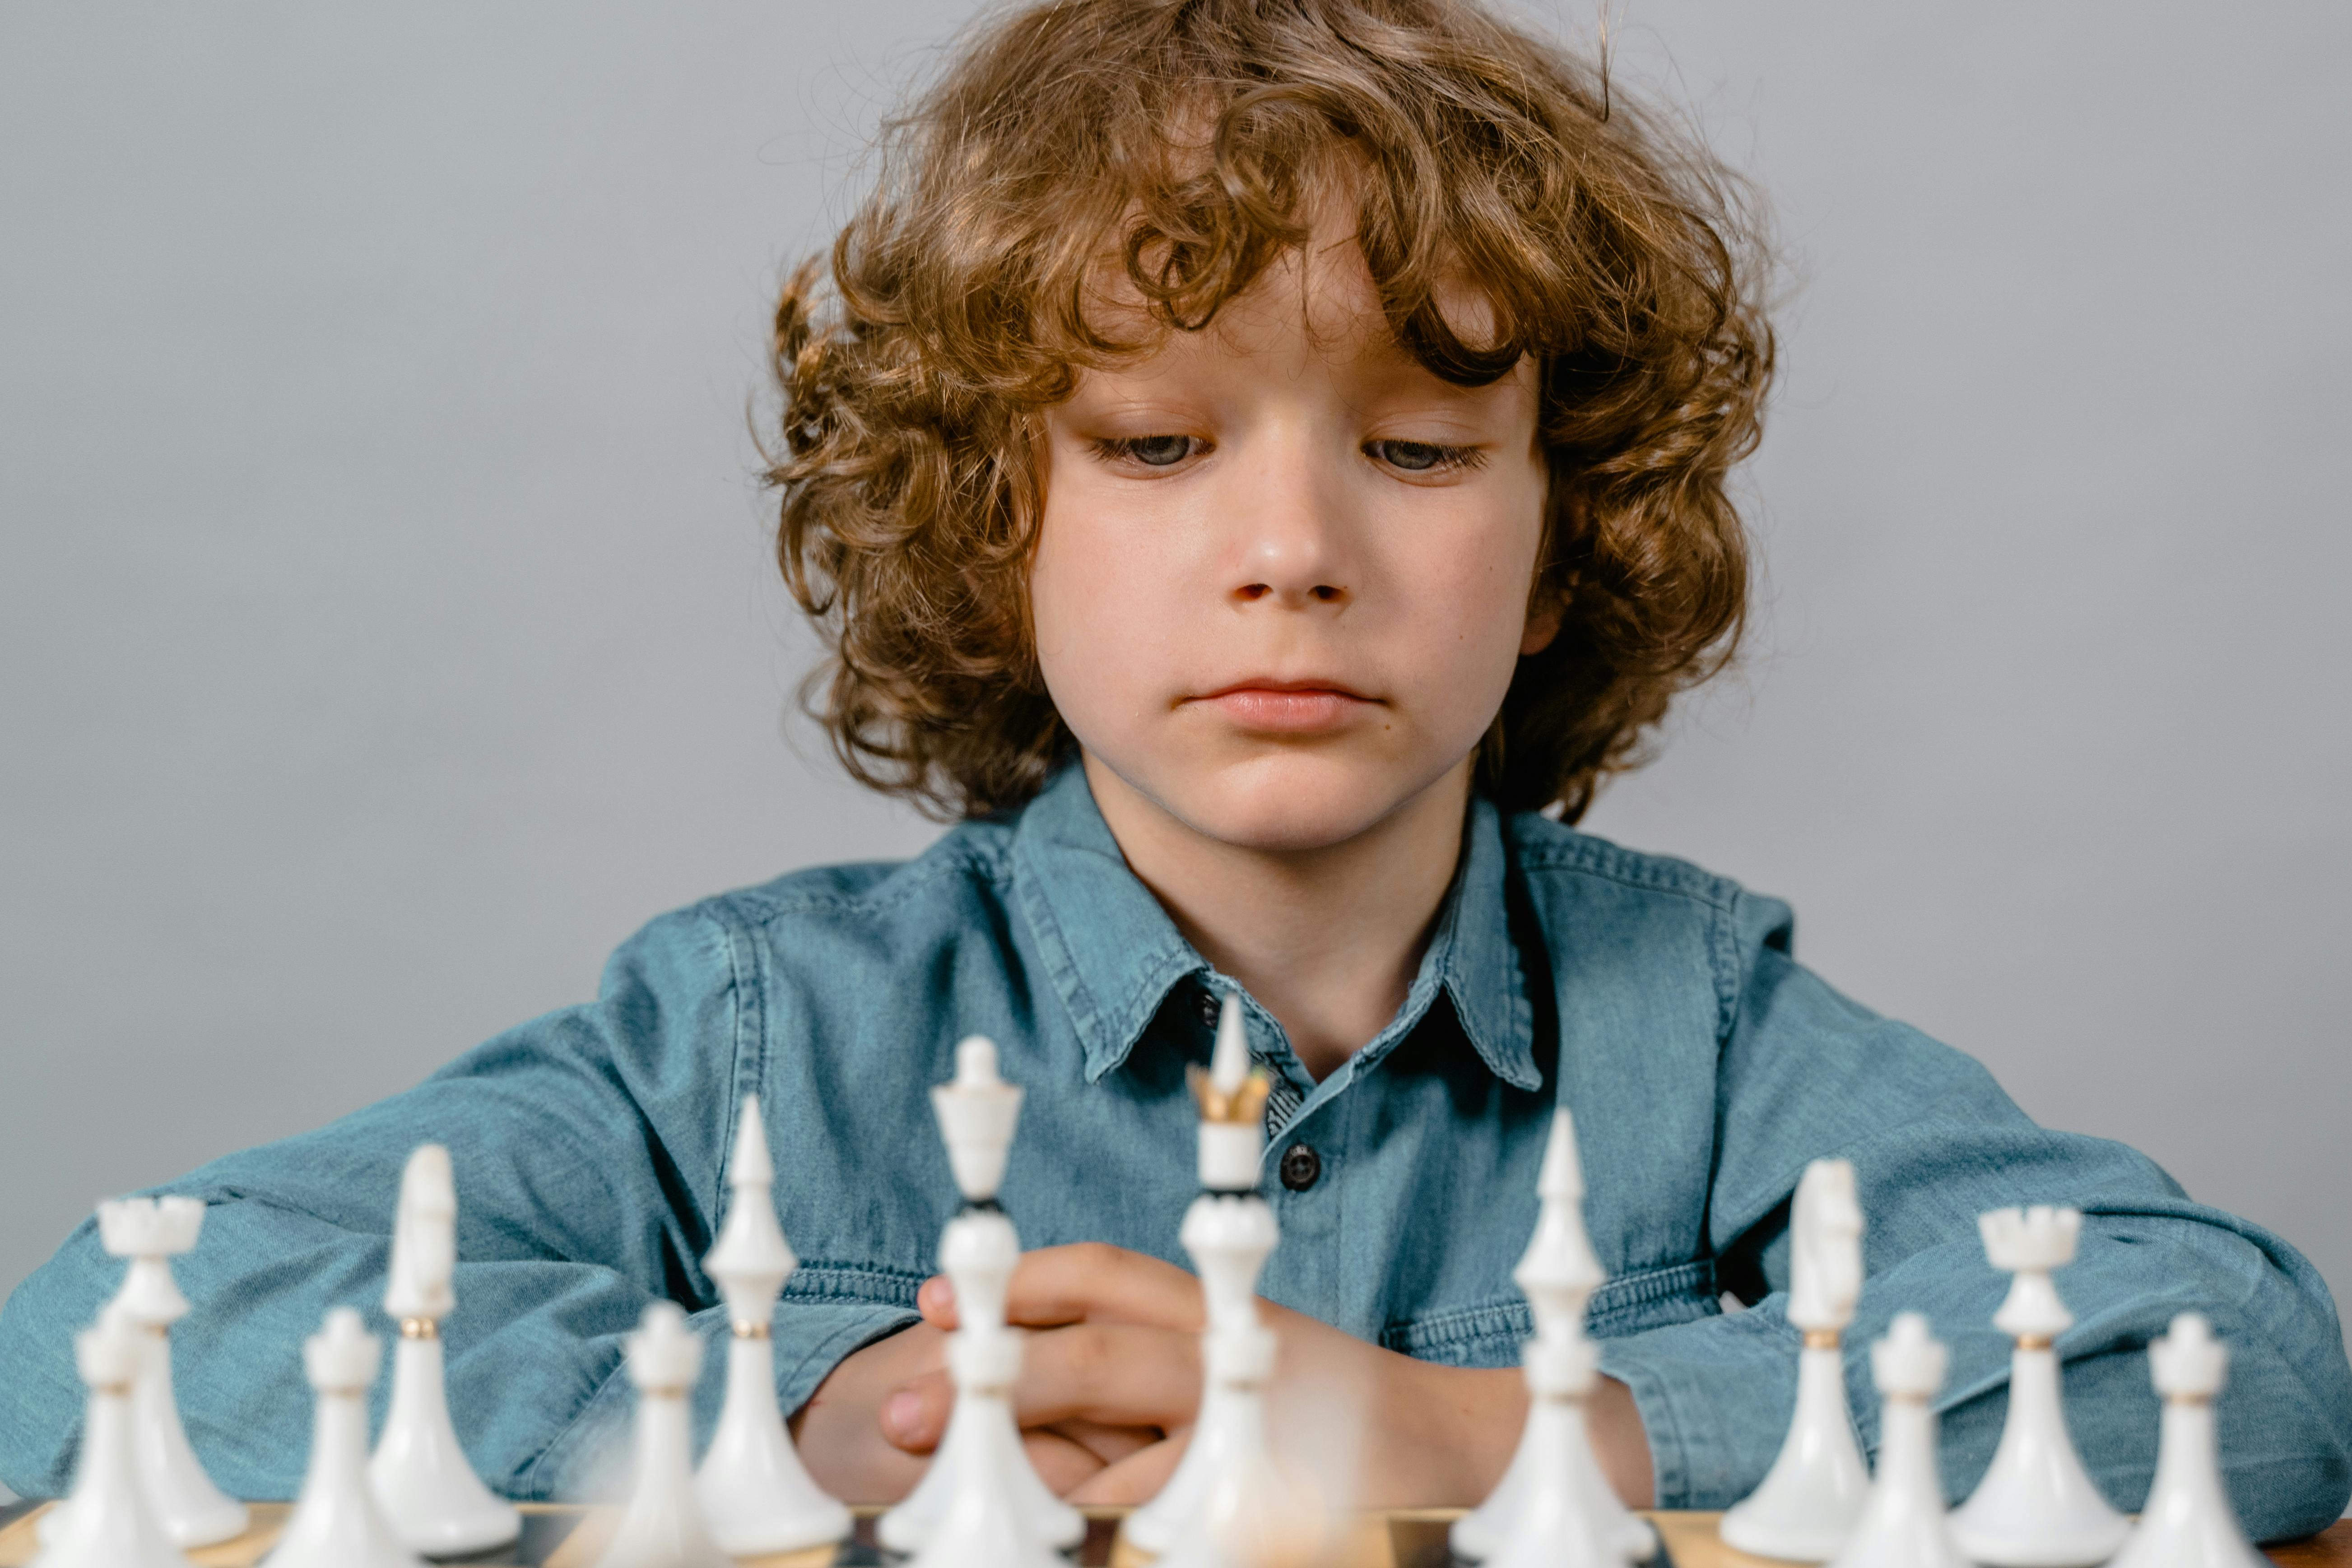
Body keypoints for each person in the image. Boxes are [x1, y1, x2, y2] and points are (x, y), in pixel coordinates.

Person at [3, 0, 2348, 1537]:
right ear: (994, 518)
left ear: (1563, 550)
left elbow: (2243, 1355)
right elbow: (115, 1308)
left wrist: (1475, 1433)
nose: (1294, 553)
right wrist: (796, 1419)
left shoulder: (1702, 1026)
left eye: (1423, 446)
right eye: (1154, 439)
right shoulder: (750, 1029)